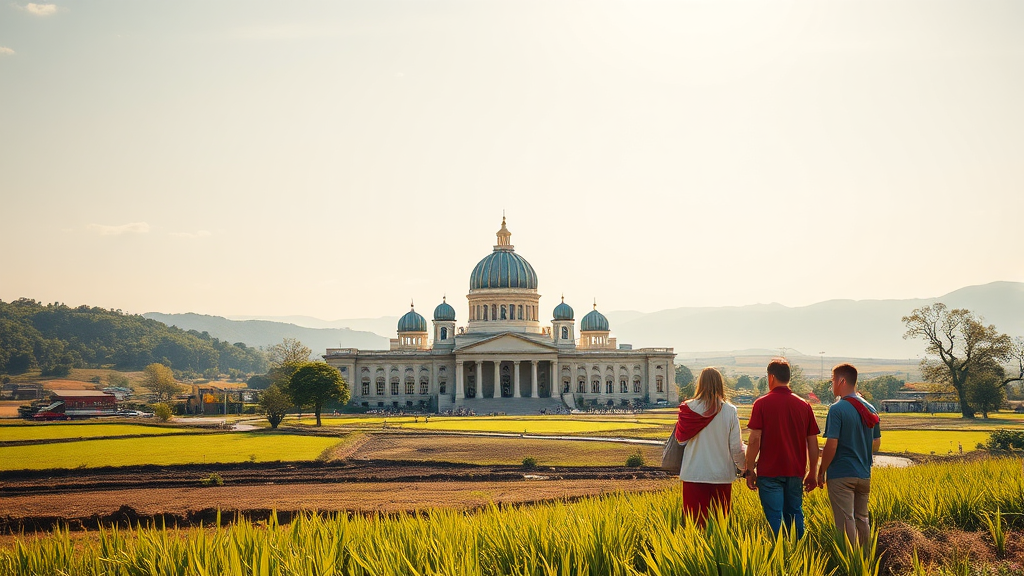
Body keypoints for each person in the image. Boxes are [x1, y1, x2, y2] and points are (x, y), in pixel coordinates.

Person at [744, 358, 820, 538]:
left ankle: (778, 558)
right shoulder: (804, 405)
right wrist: (813, 472)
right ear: (788, 378)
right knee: (795, 514)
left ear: (771, 378)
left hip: (769, 472)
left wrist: (749, 468)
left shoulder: (761, 404)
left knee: (774, 519)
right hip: (795, 471)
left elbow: (754, 440)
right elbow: (813, 443)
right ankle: (799, 555)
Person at [816, 363, 881, 550]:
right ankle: (865, 560)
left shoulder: (837, 409)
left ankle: (850, 562)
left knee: (846, 521)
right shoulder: (871, 408)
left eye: (832, 380)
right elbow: (876, 444)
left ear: (841, 381)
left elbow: (831, 445)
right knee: (862, 518)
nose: (831, 385)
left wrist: (821, 471)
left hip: (842, 474)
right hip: (864, 474)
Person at [676, 367, 746, 526]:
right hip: (721, 475)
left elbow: (681, 441)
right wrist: (744, 468)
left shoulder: (687, 409)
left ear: (700, 384)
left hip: (694, 473)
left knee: (695, 526)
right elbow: (736, 447)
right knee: (719, 527)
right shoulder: (730, 411)